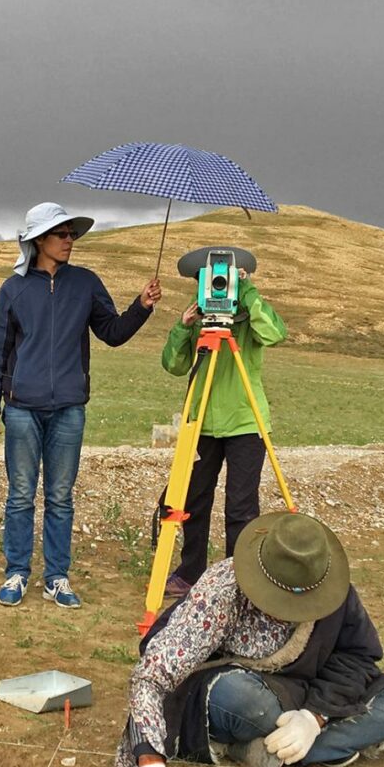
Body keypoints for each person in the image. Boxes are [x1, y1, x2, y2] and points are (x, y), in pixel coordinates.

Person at [114, 512, 384, 767]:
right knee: (241, 698)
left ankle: (266, 748)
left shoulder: (332, 587)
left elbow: (357, 656)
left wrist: (313, 717)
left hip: (308, 692)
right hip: (240, 691)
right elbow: (152, 674)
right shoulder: (222, 589)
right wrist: (150, 764)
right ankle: (289, 743)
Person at [0, 202, 161, 609]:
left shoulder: (85, 283)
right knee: (21, 494)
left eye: (71, 234)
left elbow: (112, 333)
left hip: (69, 408)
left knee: (60, 497)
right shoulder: (13, 289)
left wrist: (141, 306)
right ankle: (16, 573)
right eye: (61, 234)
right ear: (38, 240)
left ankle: (57, 578)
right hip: (22, 408)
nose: (69, 241)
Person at [160, 251, 286, 600]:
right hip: (202, 420)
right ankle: (190, 572)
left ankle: (239, 577)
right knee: (194, 499)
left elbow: (275, 333)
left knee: (241, 506)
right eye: (210, 279)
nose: (217, 285)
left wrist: (246, 291)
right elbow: (173, 364)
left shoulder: (249, 307)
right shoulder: (198, 310)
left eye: (223, 278)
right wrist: (184, 327)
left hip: (245, 420)